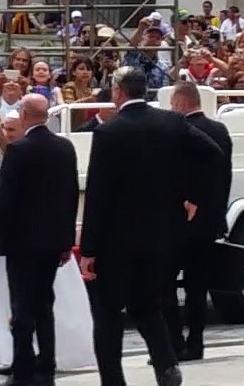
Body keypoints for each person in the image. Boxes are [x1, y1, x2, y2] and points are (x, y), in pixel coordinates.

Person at [78, 67, 219, 386]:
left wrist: (89, 248)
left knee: (108, 315)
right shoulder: (172, 122)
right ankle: (167, 367)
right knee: (148, 307)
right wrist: (192, 194)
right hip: (160, 234)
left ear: (117, 92)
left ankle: (113, 380)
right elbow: (211, 153)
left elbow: (98, 194)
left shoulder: (108, 133)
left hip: (116, 240)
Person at [0, 94, 79, 385]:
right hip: (51, 242)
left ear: (23, 114)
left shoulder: (19, 151)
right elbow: (70, 196)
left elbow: (5, 200)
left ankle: (22, 369)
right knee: (45, 304)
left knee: (22, 309)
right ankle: (47, 365)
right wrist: (65, 241)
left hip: (21, 243)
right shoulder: (64, 147)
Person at [164, 81, 231, 361]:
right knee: (197, 285)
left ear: (180, 103)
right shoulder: (220, 130)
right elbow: (224, 176)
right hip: (209, 220)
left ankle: (174, 341)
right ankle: (196, 341)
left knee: (164, 282)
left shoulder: (179, 133)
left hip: (181, 221)